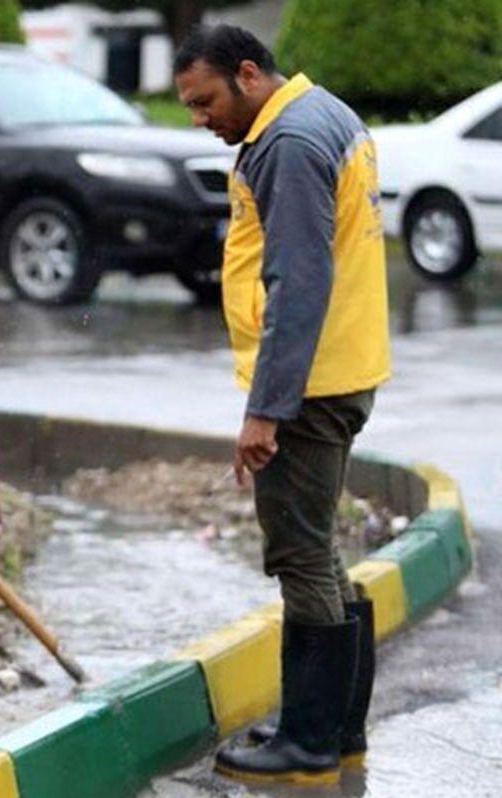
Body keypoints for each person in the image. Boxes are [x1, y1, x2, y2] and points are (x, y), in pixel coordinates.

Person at [174, 25, 390, 786]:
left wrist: (265, 410)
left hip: (309, 385)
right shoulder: (324, 113)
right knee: (320, 546)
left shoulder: (289, 143)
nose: (201, 120)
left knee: (300, 553)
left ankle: (308, 743)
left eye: (205, 102)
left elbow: (297, 283)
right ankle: (335, 727)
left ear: (247, 74)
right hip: (341, 367)